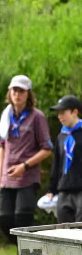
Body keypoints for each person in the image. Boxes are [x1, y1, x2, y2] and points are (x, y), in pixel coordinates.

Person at [0, 75, 52, 243]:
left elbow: (47, 149)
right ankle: (21, 247)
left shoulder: (37, 117)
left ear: (28, 94)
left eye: (21, 91)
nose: (17, 94)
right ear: (9, 92)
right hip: (6, 177)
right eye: (14, 90)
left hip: (27, 177)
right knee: (2, 216)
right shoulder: (6, 115)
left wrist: (24, 166)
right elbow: (2, 146)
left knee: (22, 218)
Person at [45, 95, 82, 223]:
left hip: (80, 190)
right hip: (64, 190)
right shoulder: (62, 135)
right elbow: (57, 164)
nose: (59, 116)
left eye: (63, 113)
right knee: (64, 232)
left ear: (74, 112)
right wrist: (51, 190)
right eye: (58, 113)